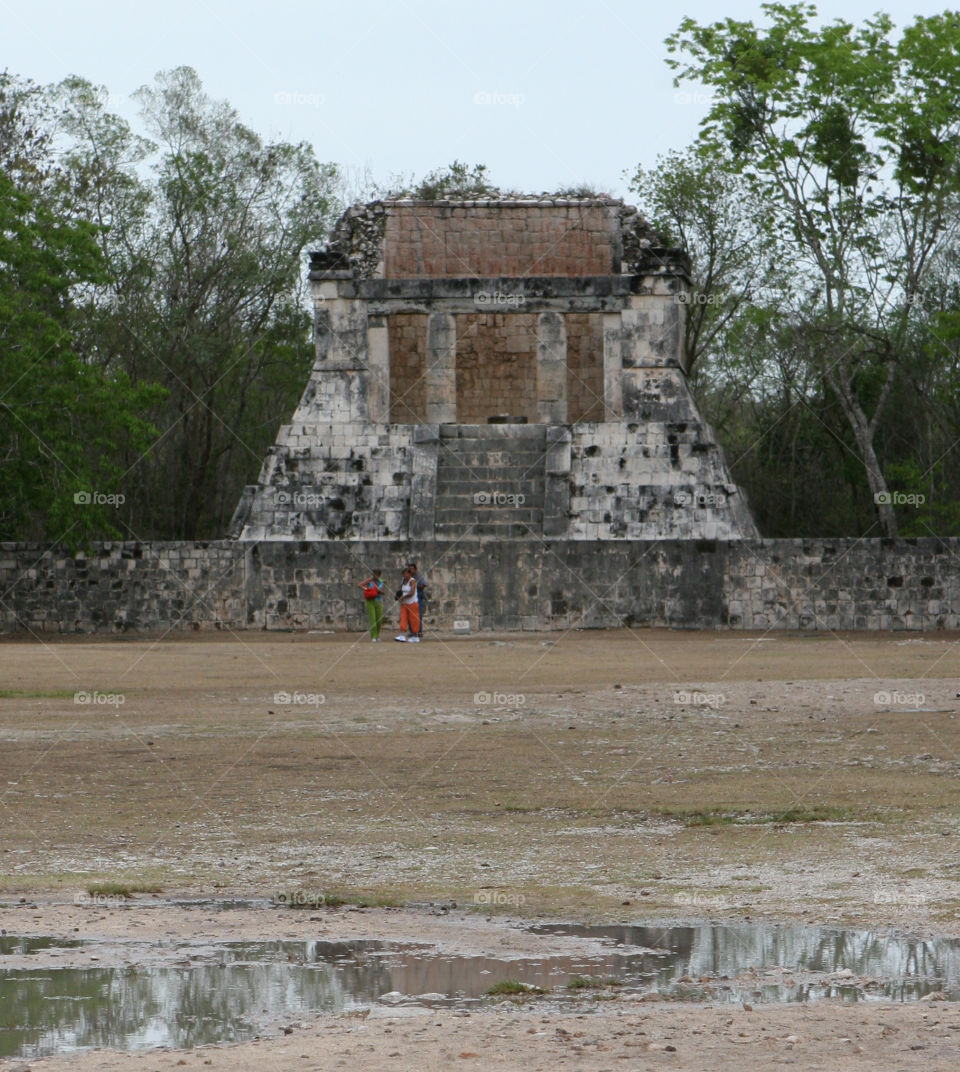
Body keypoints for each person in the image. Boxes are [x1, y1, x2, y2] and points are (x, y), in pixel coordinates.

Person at [395, 567, 420, 643]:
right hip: (405, 603)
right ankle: (402, 635)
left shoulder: (412, 581)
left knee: (414, 619)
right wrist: (398, 596)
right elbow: (401, 590)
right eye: (403, 574)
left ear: (409, 573)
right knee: (403, 618)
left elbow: (412, 592)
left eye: (406, 573)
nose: (405, 575)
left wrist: (404, 596)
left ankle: (415, 636)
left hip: (412, 603)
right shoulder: (403, 581)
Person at [358, 568, 384, 642]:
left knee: (379, 619)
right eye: (374, 575)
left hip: (379, 601)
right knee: (373, 619)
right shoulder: (370, 581)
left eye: (377, 575)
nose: (375, 576)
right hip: (370, 601)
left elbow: (383, 592)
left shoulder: (382, 582)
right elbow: (359, 585)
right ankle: (374, 636)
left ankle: (377, 635)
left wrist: (379, 591)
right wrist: (366, 589)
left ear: (379, 575)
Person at [407, 561, 428, 640]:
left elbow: (423, 585)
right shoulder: (406, 576)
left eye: (412, 569)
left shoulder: (419, 576)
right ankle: (412, 631)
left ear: (415, 570)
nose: (411, 570)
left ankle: (419, 631)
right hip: (409, 597)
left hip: (418, 596)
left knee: (418, 614)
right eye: (410, 569)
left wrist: (416, 585)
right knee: (409, 615)